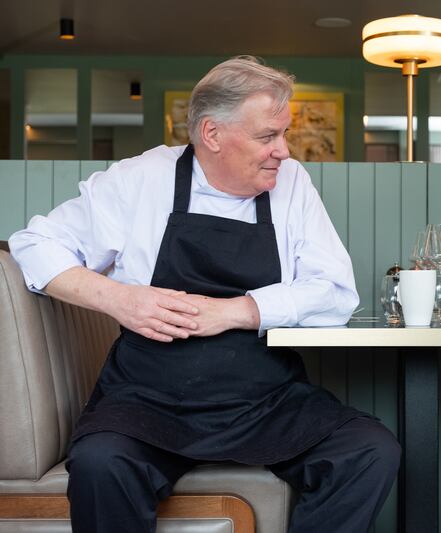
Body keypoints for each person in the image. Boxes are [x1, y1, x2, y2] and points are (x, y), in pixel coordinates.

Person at [9, 56, 400, 533]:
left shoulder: (292, 183)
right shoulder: (142, 178)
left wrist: (234, 311)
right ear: (212, 134)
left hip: (263, 399)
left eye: (284, 133)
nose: (284, 150)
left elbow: (336, 292)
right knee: (101, 462)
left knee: (369, 451)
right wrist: (119, 299)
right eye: (268, 136)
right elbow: (35, 244)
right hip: (148, 398)